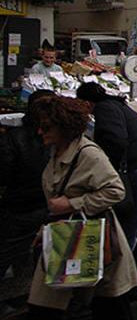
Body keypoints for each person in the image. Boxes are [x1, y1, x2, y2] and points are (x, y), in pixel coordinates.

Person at [27, 96, 137, 319]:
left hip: (94, 239)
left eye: (47, 127)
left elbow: (115, 191)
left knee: (110, 305)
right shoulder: (54, 150)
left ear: (65, 127)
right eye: (39, 126)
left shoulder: (88, 154)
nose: (41, 131)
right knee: (45, 304)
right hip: (64, 237)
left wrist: (72, 203)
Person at [75, 82, 137, 301]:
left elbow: (116, 140)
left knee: (128, 230)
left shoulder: (105, 109)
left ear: (87, 102)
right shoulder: (119, 106)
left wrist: (108, 168)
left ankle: (121, 288)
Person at [0, 90, 55, 284]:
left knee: (9, 251)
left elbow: (5, 174)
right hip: (46, 205)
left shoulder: (13, 137)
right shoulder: (58, 136)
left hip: (20, 205)